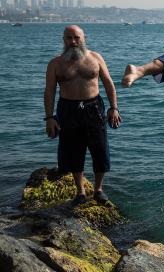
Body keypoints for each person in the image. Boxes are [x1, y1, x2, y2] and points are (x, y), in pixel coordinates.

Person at [44, 25, 122, 205]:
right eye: (69, 38)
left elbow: (108, 83)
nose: (73, 42)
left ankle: (98, 189)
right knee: (73, 150)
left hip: (94, 107)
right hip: (68, 109)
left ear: (84, 38)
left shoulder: (96, 58)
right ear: (63, 40)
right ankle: (80, 191)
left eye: (76, 38)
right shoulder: (55, 63)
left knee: (100, 149)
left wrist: (114, 108)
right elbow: (49, 91)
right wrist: (49, 118)